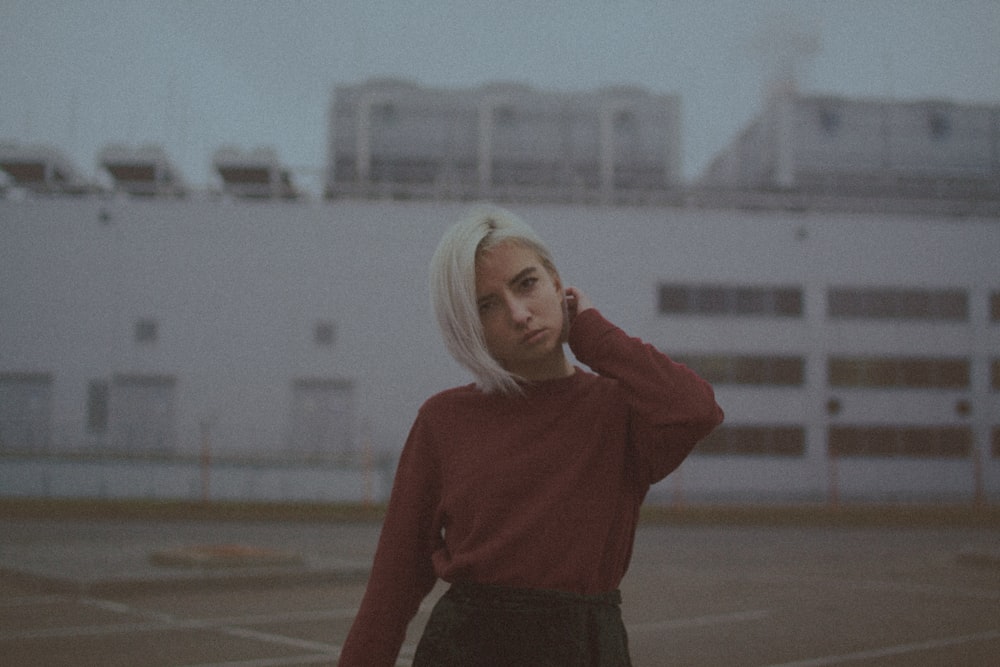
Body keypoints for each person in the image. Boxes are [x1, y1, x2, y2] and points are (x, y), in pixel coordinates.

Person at [339, 205, 723, 666]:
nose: (519, 314)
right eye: (487, 305)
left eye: (527, 284)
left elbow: (696, 409)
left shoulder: (619, 411)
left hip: (586, 646)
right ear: (469, 327)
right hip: (468, 649)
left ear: (558, 285)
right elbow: (394, 581)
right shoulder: (444, 420)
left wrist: (594, 335)